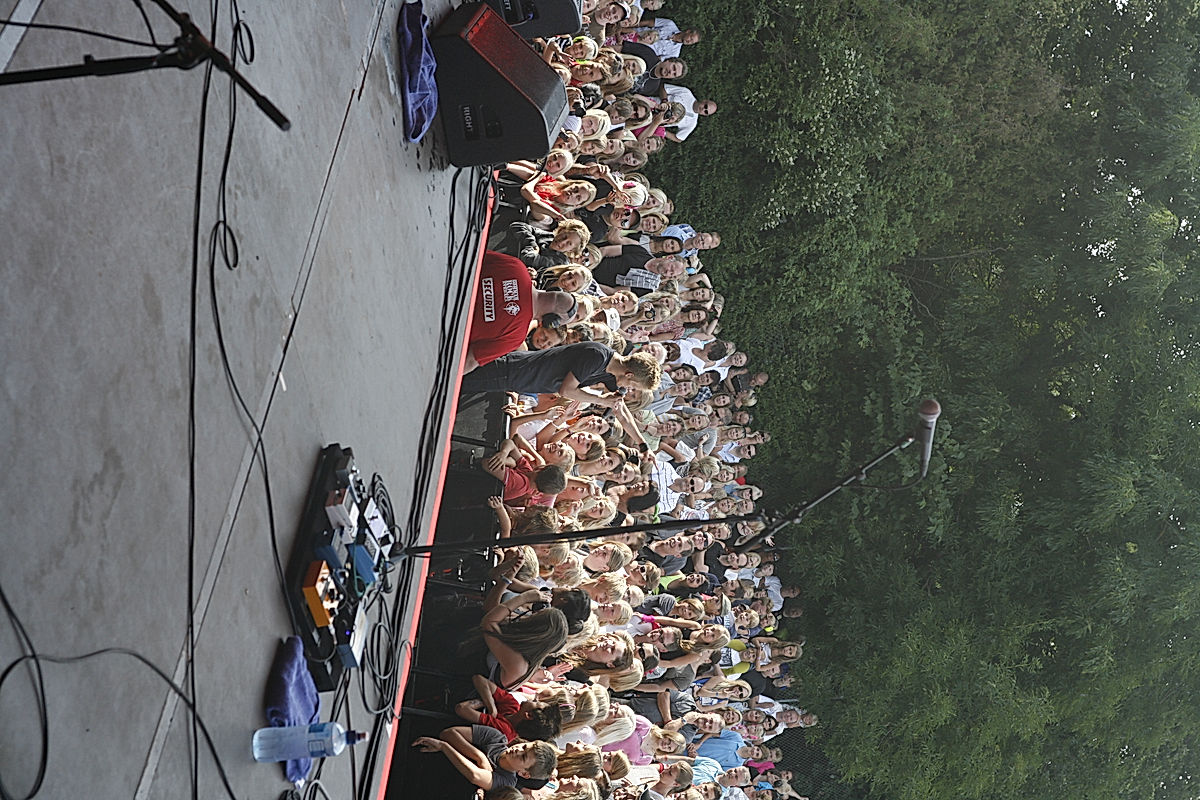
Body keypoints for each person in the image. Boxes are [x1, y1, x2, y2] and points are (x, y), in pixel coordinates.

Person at [465, 251, 579, 372]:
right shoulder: (515, 337)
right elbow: (470, 360)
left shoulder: (516, 267)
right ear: (551, 321)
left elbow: (472, 252)